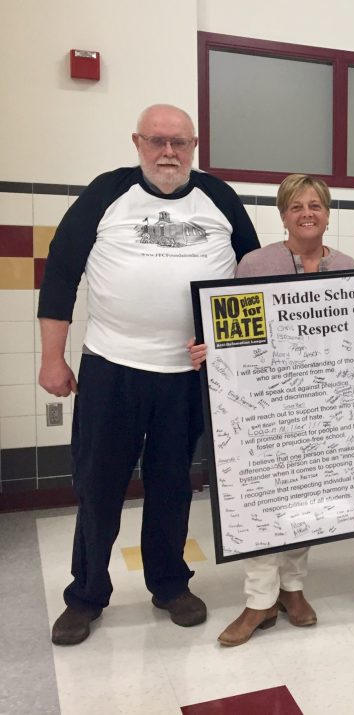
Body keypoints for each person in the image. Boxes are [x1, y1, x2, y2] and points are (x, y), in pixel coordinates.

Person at [38, 104, 260, 646]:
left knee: (171, 484)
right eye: (158, 141)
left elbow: (252, 279)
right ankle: (86, 594)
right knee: (98, 485)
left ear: (195, 146)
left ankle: (169, 584)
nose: (169, 152)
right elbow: (62, 271)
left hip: (186, 374)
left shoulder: (220, 198)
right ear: (137, 142)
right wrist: (52, 357)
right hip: (111, 367)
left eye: (179, 143)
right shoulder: (106, 193)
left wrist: (233, 352)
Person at [187, 174, 354, 645]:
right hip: (265, 407)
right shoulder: (254, 263)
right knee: (265, 498)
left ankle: (293, 589)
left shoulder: (347, 267)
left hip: (320, 409)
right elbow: (230, 328)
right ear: (283, 215)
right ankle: (258, 601)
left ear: (327, 213)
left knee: (306, 494)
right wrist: (208, 351)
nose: (307, 213)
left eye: (316, 205)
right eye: (297, 206)